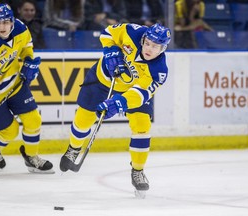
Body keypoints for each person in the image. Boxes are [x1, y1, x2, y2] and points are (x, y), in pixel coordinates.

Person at [59, 23, 171, 197]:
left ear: (163, 49)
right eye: (147, 43)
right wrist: (111, 49)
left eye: (155, 46)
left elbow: (140, 94)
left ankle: (138, 170)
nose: (149, 49)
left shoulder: (159, 71)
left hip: (131, 92)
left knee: (142, 126)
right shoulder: (132, 31)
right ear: (143, 38)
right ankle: (74, 148)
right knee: (84, 118)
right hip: (102, 79)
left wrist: (119, 102)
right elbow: (107, 32)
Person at [0, 3, 54, 174]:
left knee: (33, 120)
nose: (3, 26)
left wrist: (28, 60)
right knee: (10, 131)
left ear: (12, 20)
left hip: (15, 85)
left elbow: (27, 46)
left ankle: (31, 157)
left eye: (6, 22)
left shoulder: (21, 28)